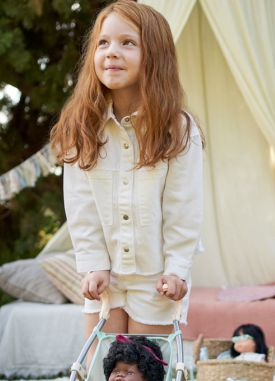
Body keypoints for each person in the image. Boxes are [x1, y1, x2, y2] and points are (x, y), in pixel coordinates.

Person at [50, 0, 204, 339]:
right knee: (100, 375)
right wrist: (94, 264)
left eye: (127, 43)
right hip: (105, 275)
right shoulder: (83, 126)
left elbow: (183, 207)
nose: (112, 52)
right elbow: (81, 206)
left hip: (157, 277)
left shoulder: (177, 128)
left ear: (156, 55)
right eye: (103, 42)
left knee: (144, 379)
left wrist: (177, 270)